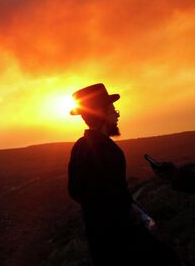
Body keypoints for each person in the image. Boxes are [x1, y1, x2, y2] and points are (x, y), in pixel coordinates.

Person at [67, 83, 179, 266]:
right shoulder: (108, 150)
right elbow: (117, 201)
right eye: (113, 110)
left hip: (101, 246)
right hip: (124, 244)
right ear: (101, 113)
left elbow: (76, 191)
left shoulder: (79, 147)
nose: (117, 114)